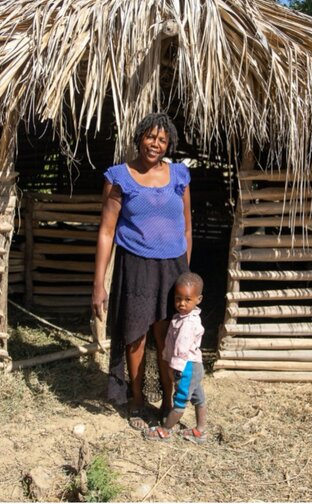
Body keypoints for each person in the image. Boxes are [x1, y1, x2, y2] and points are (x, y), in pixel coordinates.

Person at [92, 112, 192, 430]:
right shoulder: (119, 176)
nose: (155, 144)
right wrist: (98, 283)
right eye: (151, 137)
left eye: (162, 140)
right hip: (135, 264)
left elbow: (188, 228)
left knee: (168, 337)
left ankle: (166, 401)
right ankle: (136, 401)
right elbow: (107, 231)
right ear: (139, 137)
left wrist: (187, 274)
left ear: (169, 144)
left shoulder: (180, 176)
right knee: (136, 334)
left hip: (172, 267)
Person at [143, 272, 207, 443]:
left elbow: (180, 351)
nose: (182, 304)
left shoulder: (187, 324)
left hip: (186, 368)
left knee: (180, 401)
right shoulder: (182, 318)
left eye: (187, 300)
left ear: (198, 299)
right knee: (198, 397)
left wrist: (172, 369)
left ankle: (165, 430)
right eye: (178, 299)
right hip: (194, 367)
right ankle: (200, 430)